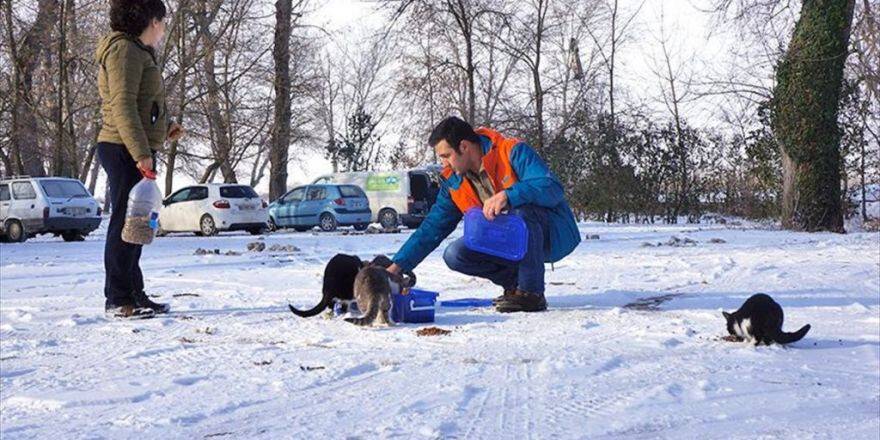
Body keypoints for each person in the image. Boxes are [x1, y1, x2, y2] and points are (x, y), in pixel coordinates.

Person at [386, 117, 580, 312]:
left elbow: (552, 187)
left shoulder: (511, 151)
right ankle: (516, 286)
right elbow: (432, 227)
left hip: (549, 234)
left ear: (464, 147)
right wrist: (397, 266)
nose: (444, 163)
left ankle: (531, 293)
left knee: (521, 211)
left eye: (446, 155)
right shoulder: (453, 181)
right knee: (455, 254)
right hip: (505, 240)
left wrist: (509, 195)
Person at [95, 0, 184, 318]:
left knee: (137, 227)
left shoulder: (137, 51)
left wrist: (163, 128)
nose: (163, 29)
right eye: (163, 21)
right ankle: (117, 299)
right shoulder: (124, 51)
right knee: (125, 225)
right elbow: (123, 107)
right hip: (122, 149)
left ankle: (134, 293)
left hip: (132, 148)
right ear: (152, 21)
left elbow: (143, 105)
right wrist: (141, 153)